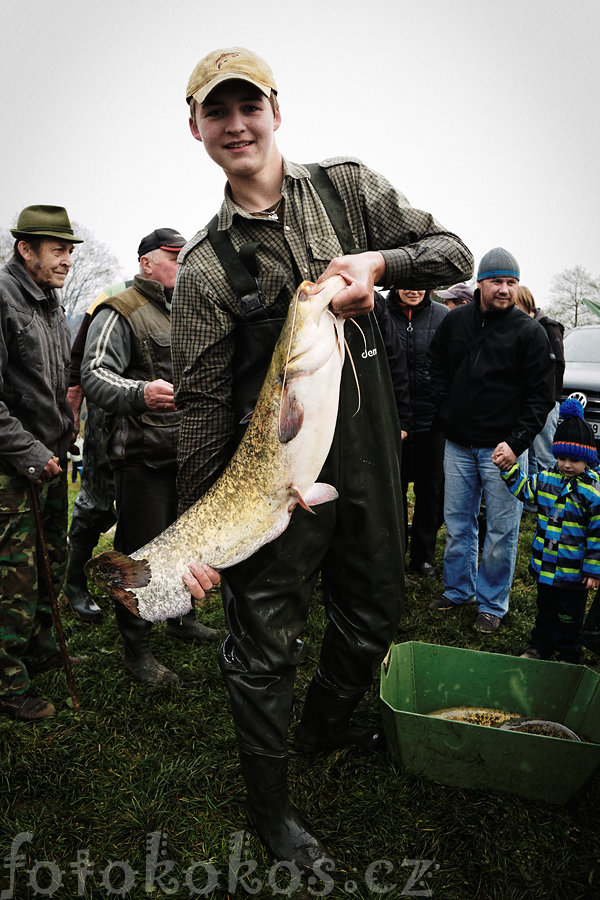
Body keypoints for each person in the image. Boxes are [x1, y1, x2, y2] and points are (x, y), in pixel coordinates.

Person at [172, 46, 473, 869]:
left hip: (370, 453)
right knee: (264, 642)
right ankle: (272, 813)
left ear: (275, 109)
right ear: (194, 127)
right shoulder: (202, 268)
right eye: (217, 112)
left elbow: (454, 253)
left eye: (249, 107)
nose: (236, 126)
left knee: (375, 609)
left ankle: (326, 726)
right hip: (270, 470)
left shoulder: (348, 188)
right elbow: (199, 407)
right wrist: (200, 533)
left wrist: (381, 262)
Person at [81, 228, 219, 685]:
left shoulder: (188, 311)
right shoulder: (120, 311)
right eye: (173, 257)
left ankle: (181, 619)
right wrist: (141, 393)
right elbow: (95, 375)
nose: (182, 265)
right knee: (137, 555)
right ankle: (136, 651)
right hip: (141, 458)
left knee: (184, 549)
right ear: (146, 263)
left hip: (186, 457)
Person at [428, 248, 555, 633]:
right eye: (497, 281)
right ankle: (458, 589)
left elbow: (541, 397)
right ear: (480, 283)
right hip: (459, 445)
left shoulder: (529, 332)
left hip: (503, 452)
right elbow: (436, 366)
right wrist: (446, 408)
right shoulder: (456, 322)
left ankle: (492, 604)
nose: (504, 290)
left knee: (501, 530)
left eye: (511, 283)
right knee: (458, 523)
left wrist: (515, 443)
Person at [0, 205, 83, 721]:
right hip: (12, 469)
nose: (67, 259)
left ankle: (38, 647)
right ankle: (7, 681)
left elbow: (50, 384)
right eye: (58, 249)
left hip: (50, 461)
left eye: (70, 249)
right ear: (25, 249)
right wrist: (31, 454)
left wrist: (66, 430)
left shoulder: (48, 301)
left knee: (51, 556)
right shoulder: (3, 299)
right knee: (14, 577)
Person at [495, 399, 600, 662]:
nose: (566, 464)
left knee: (569, 615)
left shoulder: (593, 493)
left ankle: (568, 652)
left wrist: (593, 570)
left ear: (587, 459)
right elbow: (525, 491)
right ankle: (539, 646)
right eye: (562, 457)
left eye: (574, 460)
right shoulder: (547, 479)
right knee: (545, 609)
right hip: (546, 566)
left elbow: (597, 535)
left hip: (574, 572)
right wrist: (509, 471)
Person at [63, 281, 133, 623]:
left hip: (161, 422)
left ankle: (158, 594)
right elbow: (78, 360)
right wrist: (72, 411)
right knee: (96, 502)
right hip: (108, 417)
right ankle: (74, 583)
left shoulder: (186, 295)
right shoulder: (113, 294)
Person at [386, 288, 447, 576]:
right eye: (407, 281)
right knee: (392, 490)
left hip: (431, 420)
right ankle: (393, 552)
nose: (414, 288)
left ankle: (423, 556)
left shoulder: (443, 315)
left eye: (420, 282)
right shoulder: (379, 314)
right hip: (392, 420)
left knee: (430, 492)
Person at [515, 285, 565, 476]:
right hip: (525, 400)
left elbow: (557, 366)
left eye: (515, 305)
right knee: (529, 454)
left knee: (545, 454)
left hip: (546, 401)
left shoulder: (548, 328)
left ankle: (550, 499)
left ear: (525, 303)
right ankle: (533, 500)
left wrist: (548, 397)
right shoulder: (520, 328)